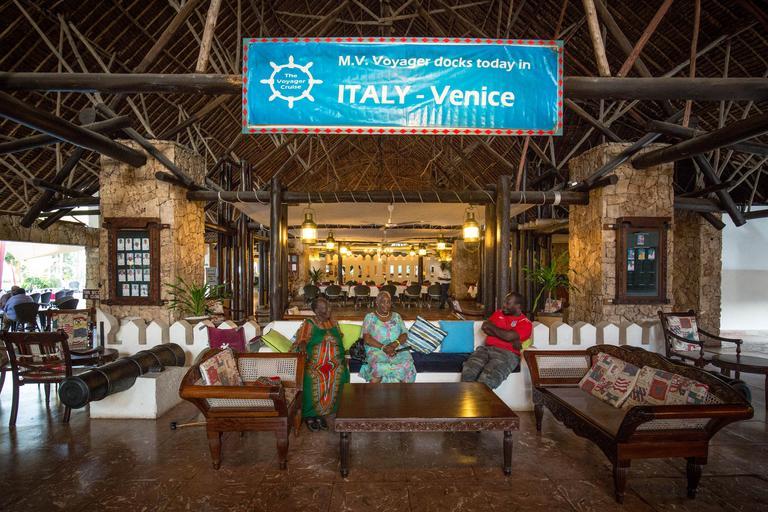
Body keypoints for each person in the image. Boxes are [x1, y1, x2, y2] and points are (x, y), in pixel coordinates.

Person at [291, 297, 349, 432]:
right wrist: (303, 347)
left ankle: (322, 414)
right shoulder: (309, 323)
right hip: (315, 362)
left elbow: (340, 339)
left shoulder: (333, 322)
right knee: (312, 375)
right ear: (316, 311)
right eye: (325, 307)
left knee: (340, 373)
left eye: (329, 306)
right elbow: (302, 340)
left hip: (335, 362)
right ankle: (309, 415)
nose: (329, 309)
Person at [461, 292, 532, 389]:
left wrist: (496, 330)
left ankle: (478, 398)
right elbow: (485, 327)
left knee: (486, 382)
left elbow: (508, 336)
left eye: (508, 303)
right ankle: (466, 398)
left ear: (518, 306)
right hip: (485, 350)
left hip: (507, 354)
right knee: (468, 373)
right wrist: (506, 336)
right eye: (504, 302)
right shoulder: (498, 313)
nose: (504, 305)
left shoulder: (525, 323)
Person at [359, 291, 417, 383]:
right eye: (383, 302)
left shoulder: (397, 317)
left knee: (407, 365)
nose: (386, 305)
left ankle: (399, 390)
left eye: (388, 302)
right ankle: (384, 388)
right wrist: (383, 347)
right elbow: (367, 338)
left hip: (397, 348)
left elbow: (404, 334)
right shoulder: (370, 317)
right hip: (376, 348)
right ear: (377, 302)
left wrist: (394, 345)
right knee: (378, 366)